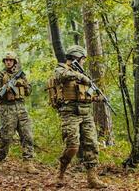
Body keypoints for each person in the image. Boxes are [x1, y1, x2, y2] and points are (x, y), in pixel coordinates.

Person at [52, 45, 107, 188]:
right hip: (69, 112)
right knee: (72, 146)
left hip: (86, 112)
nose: (83, 62)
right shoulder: (61, 69)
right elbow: (61, 76)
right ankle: (61, 174)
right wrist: (81, 76)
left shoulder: (84, 75)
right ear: (76, 57)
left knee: (92, 145)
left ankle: (92, 178)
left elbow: (88, 95)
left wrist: (97, 97)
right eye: (82, 59)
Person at [0, 52, 38, 174]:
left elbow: (28, 92)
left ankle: (28, 163)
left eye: (11, 60)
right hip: (7, 108)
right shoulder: (0, 76)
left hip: (21, 108)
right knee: (6, 137)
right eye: (6, 60)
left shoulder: (21, 75)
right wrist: (5, 89)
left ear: (14, 62)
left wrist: (23, 84)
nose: (8, 62)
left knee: (27, 136)